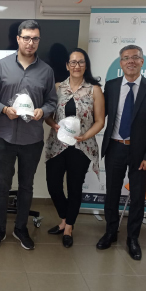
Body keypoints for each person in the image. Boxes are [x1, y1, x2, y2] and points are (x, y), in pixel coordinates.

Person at [0, 19, 57, 251]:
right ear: (18, 39)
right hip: (4, 137)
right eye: (26, 38)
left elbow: (52, 101)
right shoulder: (1, 66)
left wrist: (43, 111)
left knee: (26, 186)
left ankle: (20, 228)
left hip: (32, 139)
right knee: (1, 186)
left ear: (39, 41)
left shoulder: (46, 71)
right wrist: (3, 109)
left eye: (35, 38)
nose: (30, 42)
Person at [96, 45, 146, 260]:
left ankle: (133, 238)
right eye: (126, 58)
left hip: (140, 152)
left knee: (137, 196)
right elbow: (100, 114)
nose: (130, 61)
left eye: (135, 57)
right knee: (112, 193)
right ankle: (110, 232)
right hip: (115, 146)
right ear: (121, 63)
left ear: (142, 62)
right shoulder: (111, 86)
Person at [45, 48, 105, 247]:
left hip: (82, 147)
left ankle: (68, 226)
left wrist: (85, 136)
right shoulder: (57, 88)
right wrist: (53, 124)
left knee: (74, 187)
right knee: (53, 185)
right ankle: (65, 217)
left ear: (86, 65)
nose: (76, 66)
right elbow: (48, 116)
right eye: (73, 62)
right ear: (67, 65)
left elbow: (100, 121)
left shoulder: (94, 90)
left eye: (81, 62)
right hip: (57, 145)